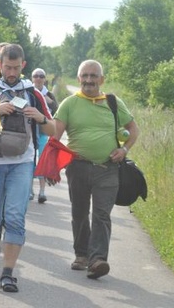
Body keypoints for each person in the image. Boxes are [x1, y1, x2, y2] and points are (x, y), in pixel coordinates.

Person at [0, 44, 55, 293]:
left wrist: (41, 118)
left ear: (23, 66)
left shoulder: (33, 93)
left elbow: (53, 131)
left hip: (22, 164)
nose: (11, 72)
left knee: (14, 218)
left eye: (15, 67)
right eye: (6, 67)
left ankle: (8, 273)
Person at [54, 60, 139, 279]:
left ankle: (98, 259)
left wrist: (125, 150)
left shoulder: (112, 102)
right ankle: (82, 255)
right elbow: (55, 136)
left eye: (93, 76)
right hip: (78, 168)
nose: (89, 80)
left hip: (108, 168)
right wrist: (52, 164)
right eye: (85, 76)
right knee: (79, 213)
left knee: (102, 214)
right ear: (79, 77)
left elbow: (133, 128)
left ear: (102, 79)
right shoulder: (69, 104)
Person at [31, 67, 58, 204]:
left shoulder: (49, 94)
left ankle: (42, 191)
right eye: (36, 76)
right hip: (30, 133)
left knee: (41, 161)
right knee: (30, 160)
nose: (39, 78)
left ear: (45, 79)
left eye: (41, 76)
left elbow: (56, 111)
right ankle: (30, 190)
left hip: (42, 133)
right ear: (32, 78)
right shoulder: (28, 92)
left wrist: (50, 102)